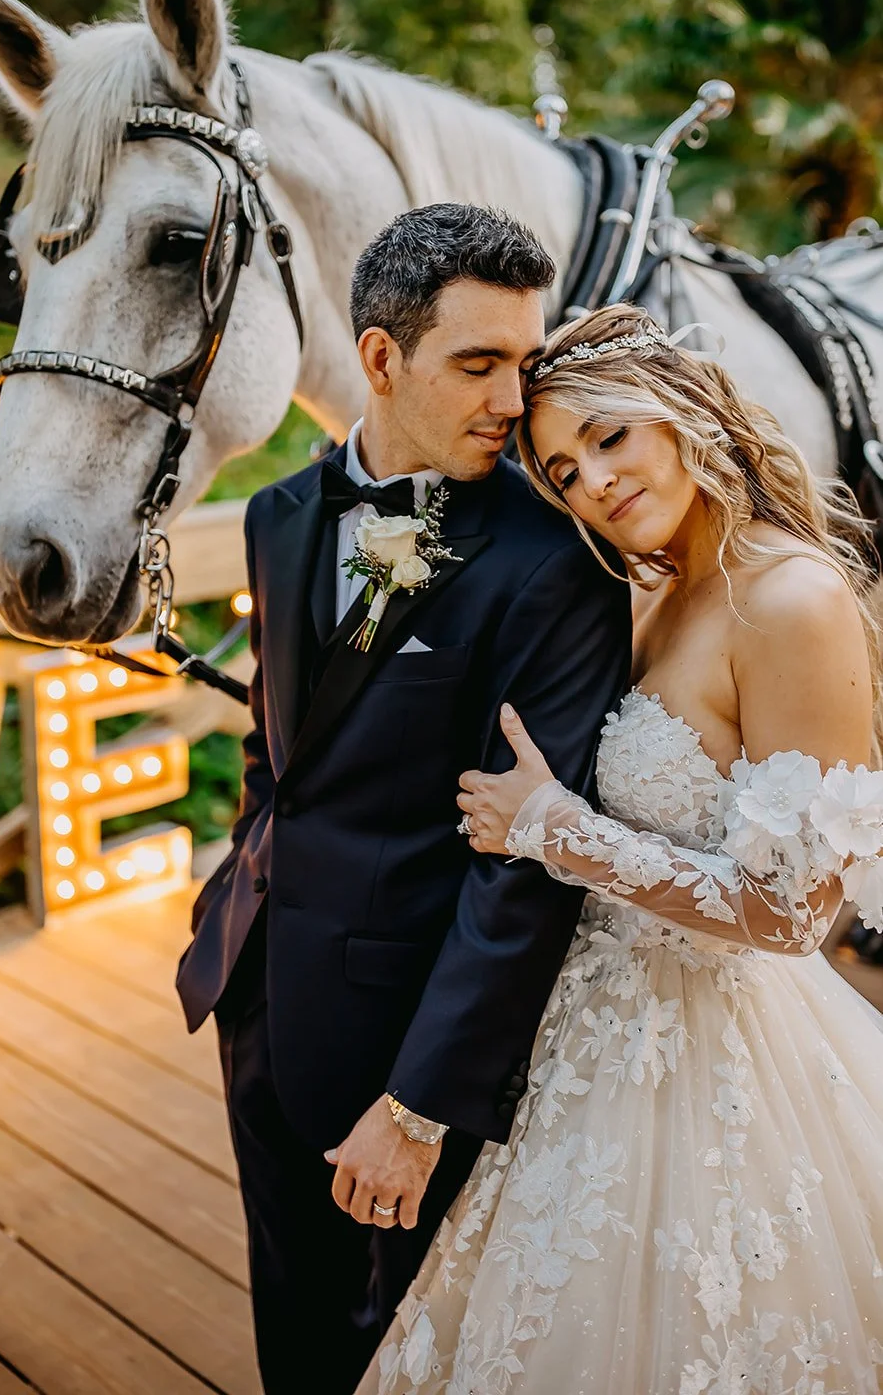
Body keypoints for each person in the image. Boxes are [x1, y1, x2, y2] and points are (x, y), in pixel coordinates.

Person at [360, 303, 883, 1395]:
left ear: (679, 412)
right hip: (581, 1031)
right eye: (559, 468)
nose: (590, 481)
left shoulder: (790, 599)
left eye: (608, 437)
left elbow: (791, 915)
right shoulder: (645, 587)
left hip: (715, 1058)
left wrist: (558, 830)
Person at [175, 205, 631, 1393]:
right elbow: (279, 746)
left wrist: (420, 1103)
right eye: (475, 364)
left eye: (524, 364)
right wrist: (231, 899)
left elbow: (522, 867)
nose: (509, 398)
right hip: (256, 989)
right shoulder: (277, 516)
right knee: (295, 1324)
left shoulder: (554, 566)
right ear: (379, 359)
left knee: (417, 1347)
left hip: (411, 1036)